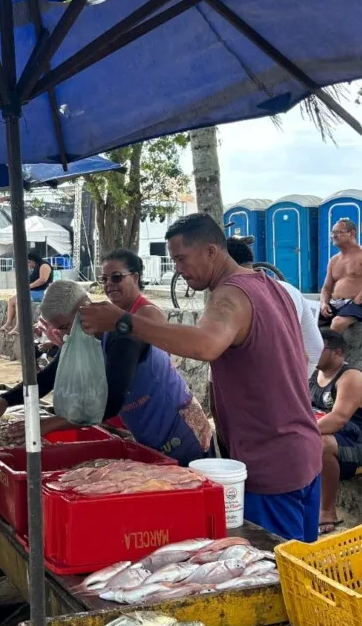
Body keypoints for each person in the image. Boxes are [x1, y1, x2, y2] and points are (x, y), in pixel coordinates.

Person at [81, 214, 322, 542]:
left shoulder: (229, 296)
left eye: (181, 258)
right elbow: (305, 356)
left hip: (271, 463)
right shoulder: (270, 285)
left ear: (211, 252)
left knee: (277, 572)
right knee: (304, 568)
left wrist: (124, 322)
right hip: (303, 450)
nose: (177, 269)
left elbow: (205, 344)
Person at [0, 253, 213, 464]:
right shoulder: (81, 337)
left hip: (179, 430)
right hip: (145, 431)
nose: (63, 335)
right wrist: (5, 399)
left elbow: (111, 402)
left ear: (84, 310)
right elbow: (49, 376)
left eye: (63, 326)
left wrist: (52, 424)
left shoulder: (124, 334)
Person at [226, 237, 322, 378]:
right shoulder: (290, 290)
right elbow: (315, 347)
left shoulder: (232, 295)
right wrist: (299, 382)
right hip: (290, 386)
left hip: (249, 387)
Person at [312, 331, 362, 534]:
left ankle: (327, 512)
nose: (311, 351)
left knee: (319, 444)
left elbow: (338, 419)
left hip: (361, 448)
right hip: (328, 435)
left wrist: (298, 433)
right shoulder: (315, 375)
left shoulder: (351, 378)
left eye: (318, 348)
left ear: (337, 352)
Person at [319, 219, 362, 333]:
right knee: (305, 321)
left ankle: (336, 349)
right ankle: (323, 349)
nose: (334, 236)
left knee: (337, 323)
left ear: (352, 233)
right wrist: (324, 303)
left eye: (338, 232)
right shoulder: (334, 260)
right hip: (338, 304)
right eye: (333, 232)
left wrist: (360, 297)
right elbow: (326, 288)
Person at [0, 251, 52, 335]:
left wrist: (29, 286)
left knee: (19, 300)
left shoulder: (44, 265)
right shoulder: (35, 268)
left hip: (42, 292)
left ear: (32, 260)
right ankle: (8, 324)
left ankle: (19, 326)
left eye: (28, 263)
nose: (28, 265)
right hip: (33, 292)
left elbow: (43, 280)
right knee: (11, 300)